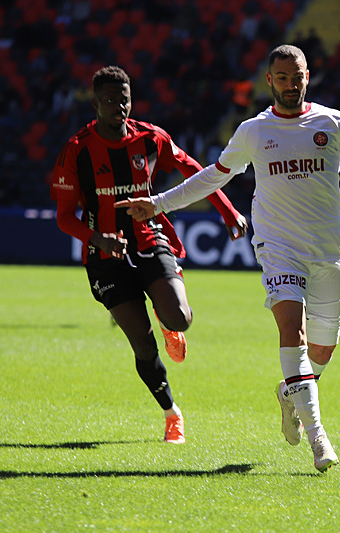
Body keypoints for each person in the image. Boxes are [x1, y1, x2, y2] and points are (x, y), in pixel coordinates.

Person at [115, 45, 340, 472]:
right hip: (279, 249)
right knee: (291, 330)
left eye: (297, 76)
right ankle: (318, 437)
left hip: (328, 250)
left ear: (307, 76)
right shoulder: (254, 131)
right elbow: (213, 176)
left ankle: (290, 391)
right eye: (282, 77)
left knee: (322, 350)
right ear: (269, 80)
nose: (290, 84)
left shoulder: (334, 122)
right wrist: (159, 203)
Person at [50, 66, 248, 444]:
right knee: (142, 344)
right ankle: (171, 413)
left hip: (148, 237)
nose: (118, 106)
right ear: (95, 105)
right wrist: (98, 239)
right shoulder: (77, 150)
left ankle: (167, 319)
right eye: (110, 100)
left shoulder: (150, 138)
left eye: (123, 99)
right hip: (104, 256)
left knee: (180, 317)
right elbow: (63, 217)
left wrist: (227, 211)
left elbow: (194, 171)